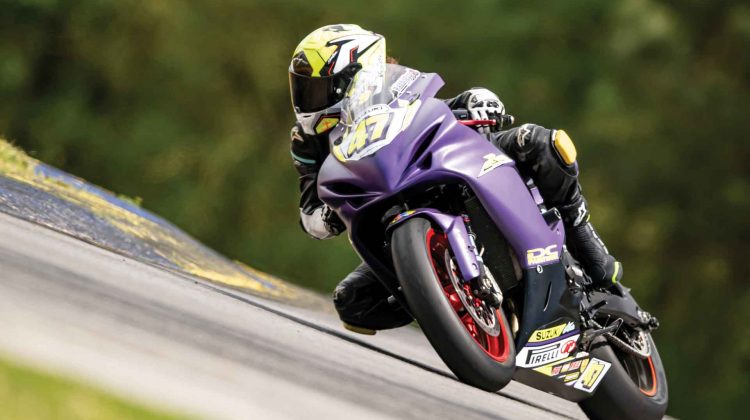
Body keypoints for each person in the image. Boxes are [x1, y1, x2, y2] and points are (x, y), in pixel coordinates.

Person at [288, 24, 622, 335]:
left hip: (448, 157)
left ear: (353, 77)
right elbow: (309, 206)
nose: (308, 99)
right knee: (353, 303)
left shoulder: (392, 88)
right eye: (303, 89)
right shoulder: (308, 142)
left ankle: (584, 237)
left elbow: (434, 107)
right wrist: (327, 215)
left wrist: (473, 101)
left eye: (316, 88)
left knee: (537, 142)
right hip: (385, 208)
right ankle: (450, 305)